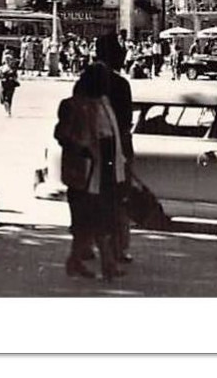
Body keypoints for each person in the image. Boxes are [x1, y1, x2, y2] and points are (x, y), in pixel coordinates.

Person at [55, 64, 126, 279]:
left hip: (106, 168)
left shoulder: (105, 103)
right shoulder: (72, 105)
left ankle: (78, 262)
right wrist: (81, 147)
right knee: (87, 219)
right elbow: (61, 134)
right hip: (84, 171)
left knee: (100, 217)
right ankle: (107, 264)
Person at [94, 34, 136, 266]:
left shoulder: (86, 83)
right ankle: (119, 248)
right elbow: (126, 121)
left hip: (93, 150)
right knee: (119, 199)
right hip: (117, 149)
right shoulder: (121, 84)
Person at [0, 50, 20, 116]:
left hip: (10, 84)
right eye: (6, 60)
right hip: (3, 84)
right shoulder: (2, 68)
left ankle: (9, 111)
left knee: (8, 98)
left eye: (9, 60)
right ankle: (6, 109)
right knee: (2, 99)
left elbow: (16, 76)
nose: (8, 61)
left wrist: (14, 79)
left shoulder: (13, 68)